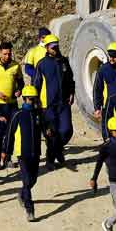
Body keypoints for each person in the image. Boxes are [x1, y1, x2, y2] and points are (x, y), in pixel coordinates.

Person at [32, 34, 75, 170]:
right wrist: (35, 103)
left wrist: (72, 93)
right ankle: (50, 160)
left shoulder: (64, 61)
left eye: (56, 46)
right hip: (47, 106)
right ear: (46, 47)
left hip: (63, 103)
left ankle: (57, 150)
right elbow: (35, 85)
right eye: (52, 47)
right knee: (52, 133)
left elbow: (70, 80)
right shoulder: (41, 65)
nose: (55, 49)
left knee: (67, 130)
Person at [3, 86, 44, 222]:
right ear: (25, 99)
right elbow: (9, 134)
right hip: (23, 153)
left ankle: (21, 194)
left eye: (35, 99)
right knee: (27, 182)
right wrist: (6, 152)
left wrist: (50, 133)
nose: (33, 102)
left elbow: (46, 128)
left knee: (33, 180)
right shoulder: (18, 114)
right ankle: (29, 210)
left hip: (35, 152)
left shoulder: (38, 114)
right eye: (31, 99)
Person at [0, 41, 24, 169]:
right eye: (5, 53)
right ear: (0, 52)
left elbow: (21, 83)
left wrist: (19, 91)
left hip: (12, 105)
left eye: (10, 53)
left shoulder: (16, 66)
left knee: (11, 132)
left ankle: (7, 157)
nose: (8, 56)